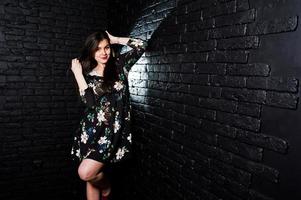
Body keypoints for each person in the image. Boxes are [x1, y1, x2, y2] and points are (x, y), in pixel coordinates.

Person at [70, 30, 147, 200]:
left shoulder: (120, 64)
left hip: (110, 132)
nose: (103, 53)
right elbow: (89, 102)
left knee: (86, 173)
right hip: (90, 132)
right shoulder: (88, 74)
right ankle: (104, 190)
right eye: (98, 49)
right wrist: (77, 74)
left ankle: (106, 188)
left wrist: (116, 39)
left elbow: (142, 45)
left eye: (106, 47)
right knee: (90, 179)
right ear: (91, 51)